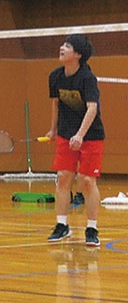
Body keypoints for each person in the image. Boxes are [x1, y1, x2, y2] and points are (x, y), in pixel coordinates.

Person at [45, 34, 105, 248]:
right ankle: (62, 225)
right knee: (62, 178)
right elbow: (55, 104)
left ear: (78, 54)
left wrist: (80, 135)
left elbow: (92, 108)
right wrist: (53, 129)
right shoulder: (55, 76)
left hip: (90, 135)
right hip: (65, 134)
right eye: (63, 44)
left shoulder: (87, 78)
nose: (61, 47)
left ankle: (91, 228)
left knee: (87, 182)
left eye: (67, 46)